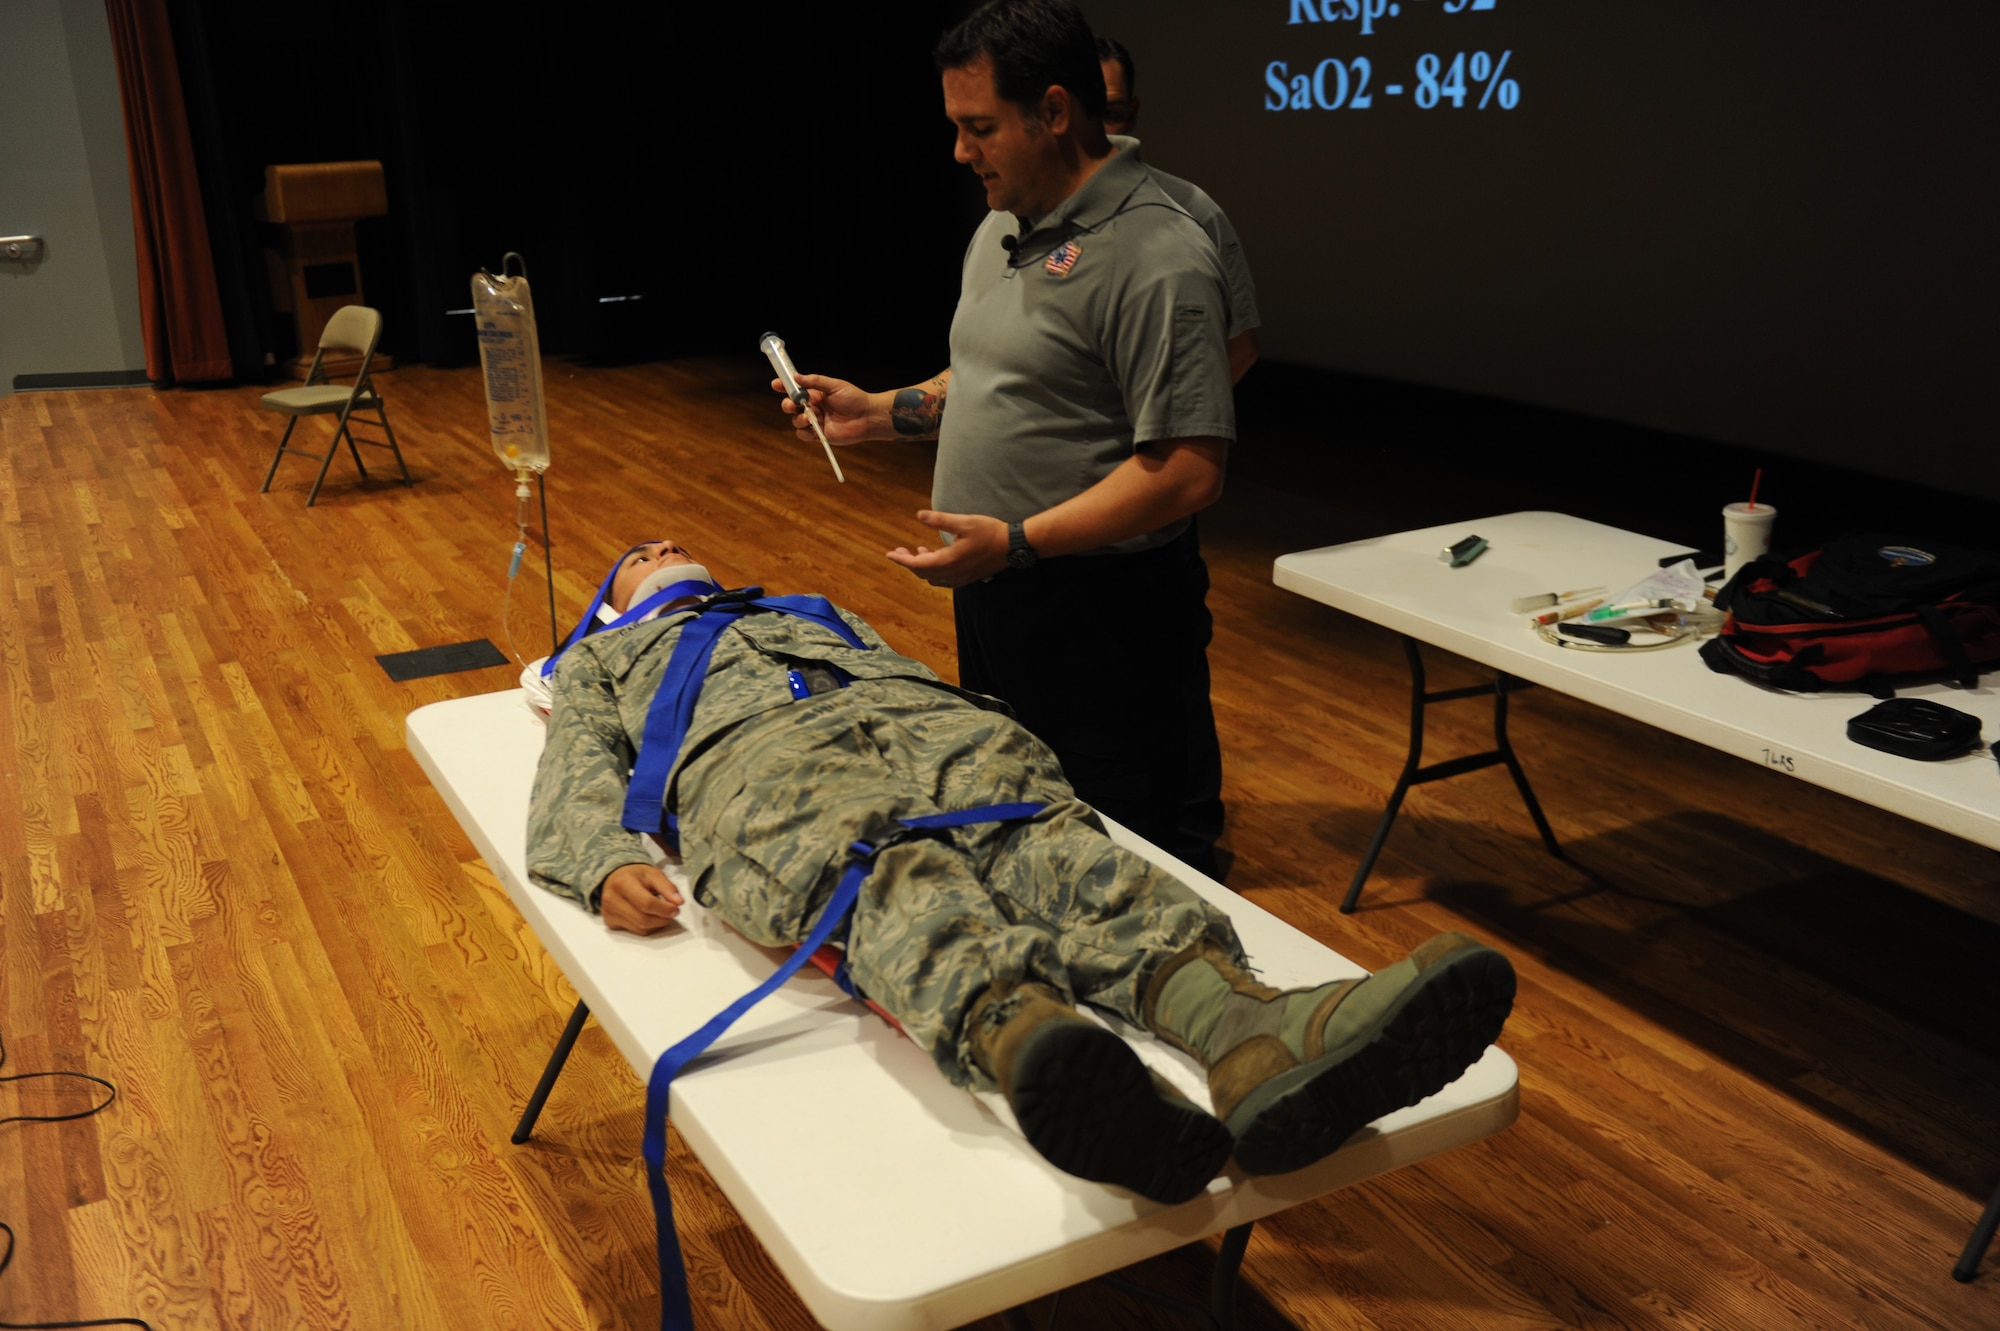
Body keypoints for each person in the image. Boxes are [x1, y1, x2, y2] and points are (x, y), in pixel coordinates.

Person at [527, 540, 1517, 1206]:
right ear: (613, 598)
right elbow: (575, 764)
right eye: (638, 551)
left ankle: (1246, 1024)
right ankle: (1033, 1039)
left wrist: (963, 722)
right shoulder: (607, 657)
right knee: (883, 868)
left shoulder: (805, 607)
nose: (659, 543)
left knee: (1052, 841)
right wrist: (604, 857)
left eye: (668, 538)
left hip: (930, 726)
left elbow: (897, 668)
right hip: (755, 758)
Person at [772, 0, 1235, 879]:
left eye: (978, 127)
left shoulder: (1158, 254)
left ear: (1055, 112)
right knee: (1026, 814)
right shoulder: (1000, 226)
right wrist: (877, 412)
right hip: (1001, 589)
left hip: (1107, 607)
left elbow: (1185, 471)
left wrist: (1019, 541)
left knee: (1138, 851)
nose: (959, 151)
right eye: (955, 126)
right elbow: (994, 379)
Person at [1096, 34, 1261, 384]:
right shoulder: (1018, 215)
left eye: (1110, 113)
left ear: (1132, 113)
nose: (1096, 131)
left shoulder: (1193, 211)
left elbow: (1241, 349)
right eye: (1085, 113)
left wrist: (1164, 427)